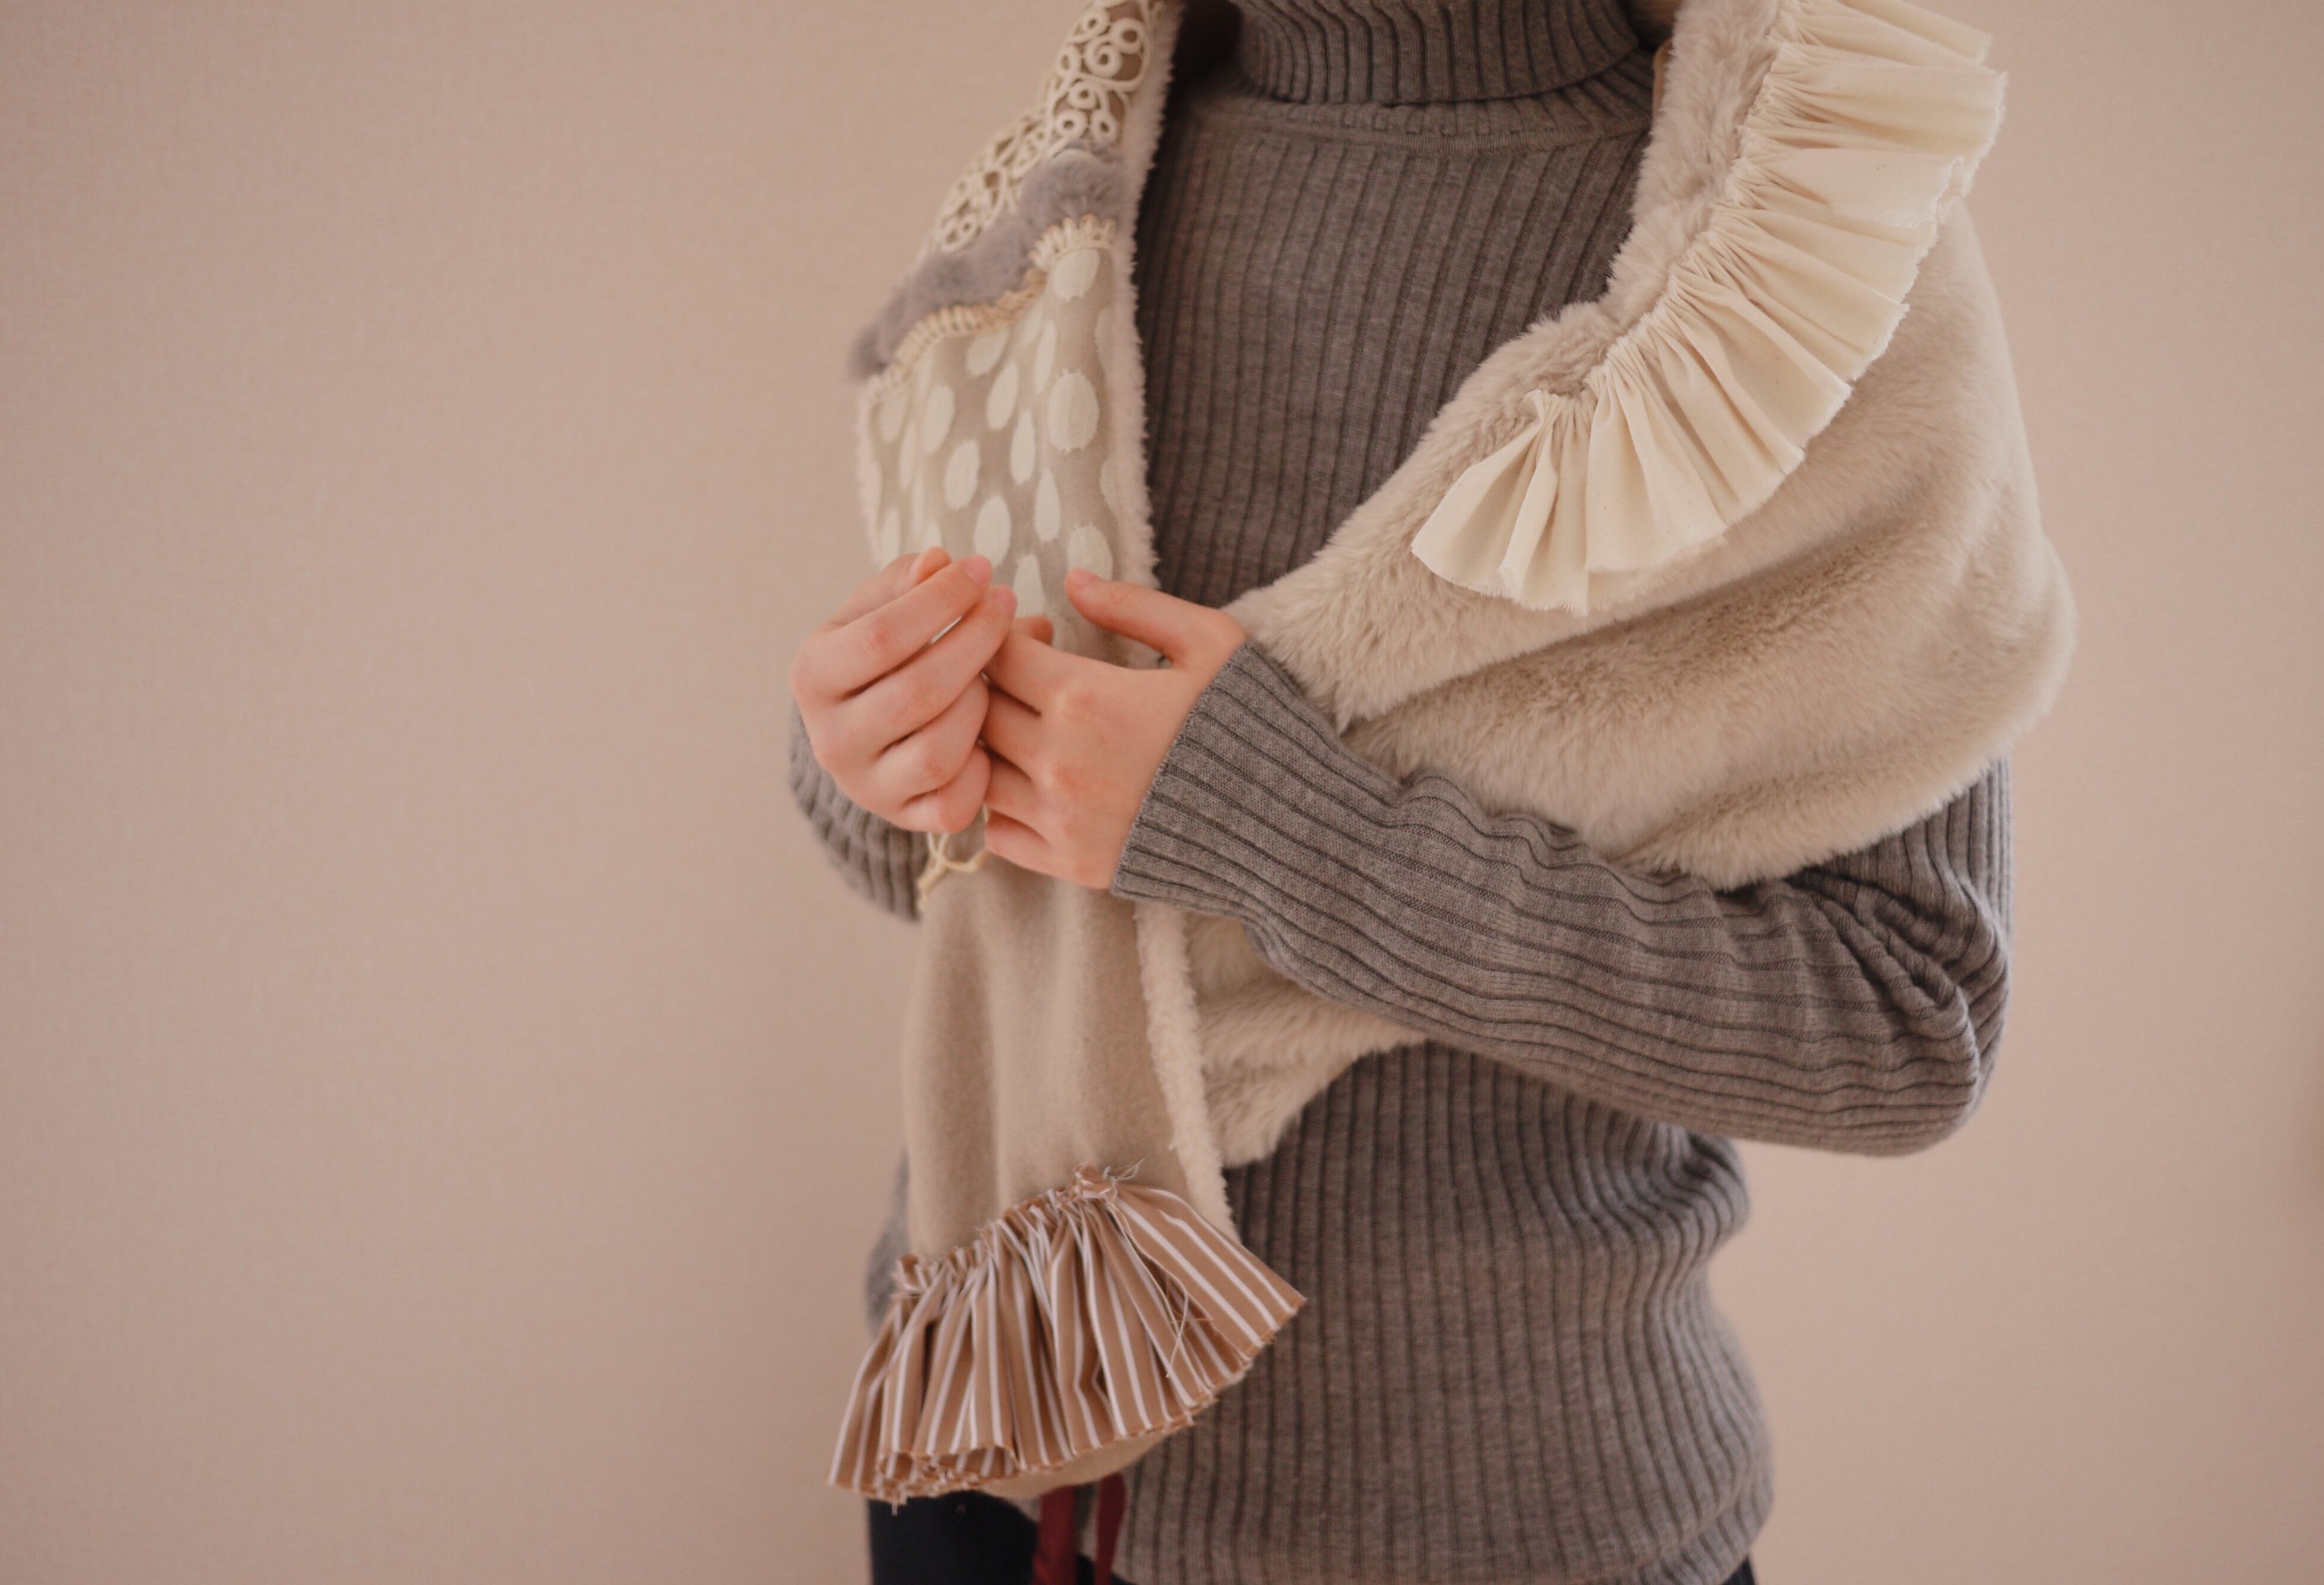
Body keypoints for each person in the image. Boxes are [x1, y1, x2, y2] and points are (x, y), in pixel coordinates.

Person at [792, 2, 2012, 1580]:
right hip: (991, 1428)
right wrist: (877, 758)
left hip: (1513, 1524)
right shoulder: (1073, 180)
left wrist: (1293, 836)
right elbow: (984, 885)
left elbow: (1909, 1019)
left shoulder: (1807, 233)